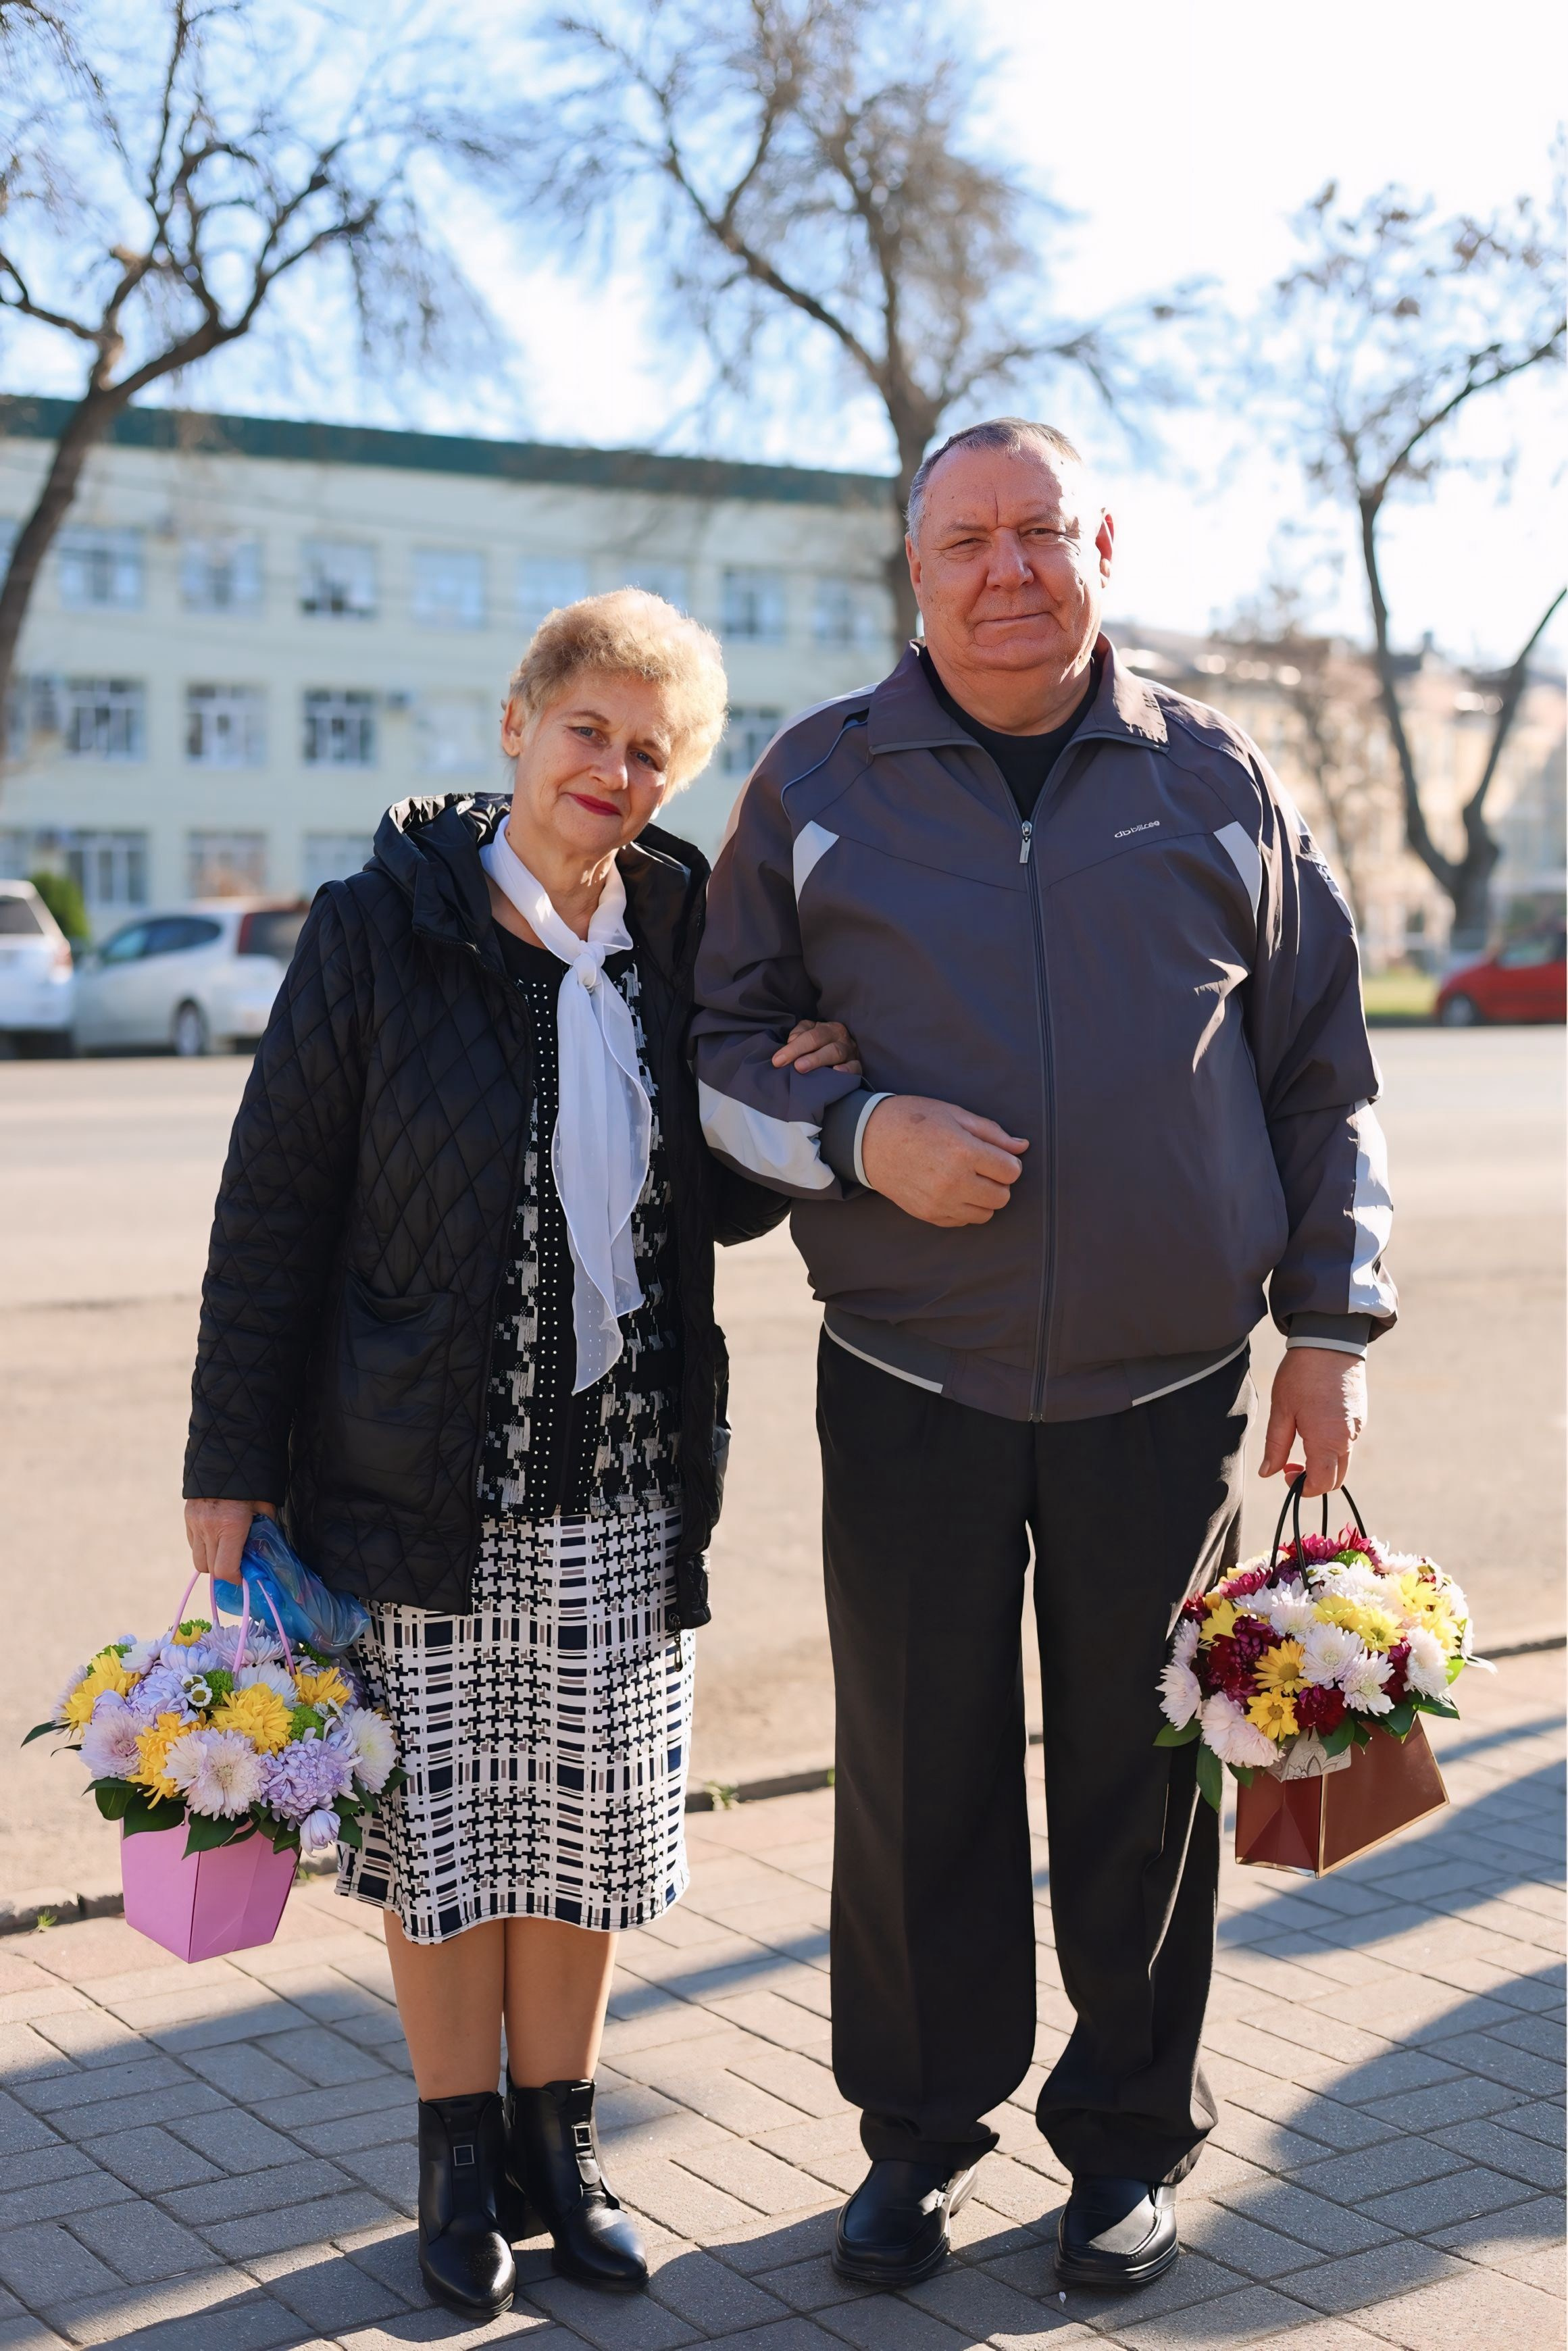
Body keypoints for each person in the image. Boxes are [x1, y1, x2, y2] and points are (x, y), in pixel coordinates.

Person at [691, 420, 1396, 2294]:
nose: (1005, 570)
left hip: (1165, 1391)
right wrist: (860, 1138)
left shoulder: (1220, 778)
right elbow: (714, 1055)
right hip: (909, 1379)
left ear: (1104, 545)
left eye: (1038, 533)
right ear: (914, 570)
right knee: (915, 1775)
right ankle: (917, 2139)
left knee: (1143, 1783)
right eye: (965, 541)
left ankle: (1127, 2149)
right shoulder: (818, 779)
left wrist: (1328, 1331)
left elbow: (1324, 1074)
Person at [182, 590, 861, 2323]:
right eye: (588, 731)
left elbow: (714, 1214)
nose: (613, 771)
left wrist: (788, 1099)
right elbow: (273, 1205)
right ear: (518, 724)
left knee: (585, 1829)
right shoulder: (381, 924)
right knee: (444, 1839)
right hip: (422, 1467)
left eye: (650, 751)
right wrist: (227, 1463)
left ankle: (563, 2151)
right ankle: (453, 2162)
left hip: (622, 1477)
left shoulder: (683, 938)